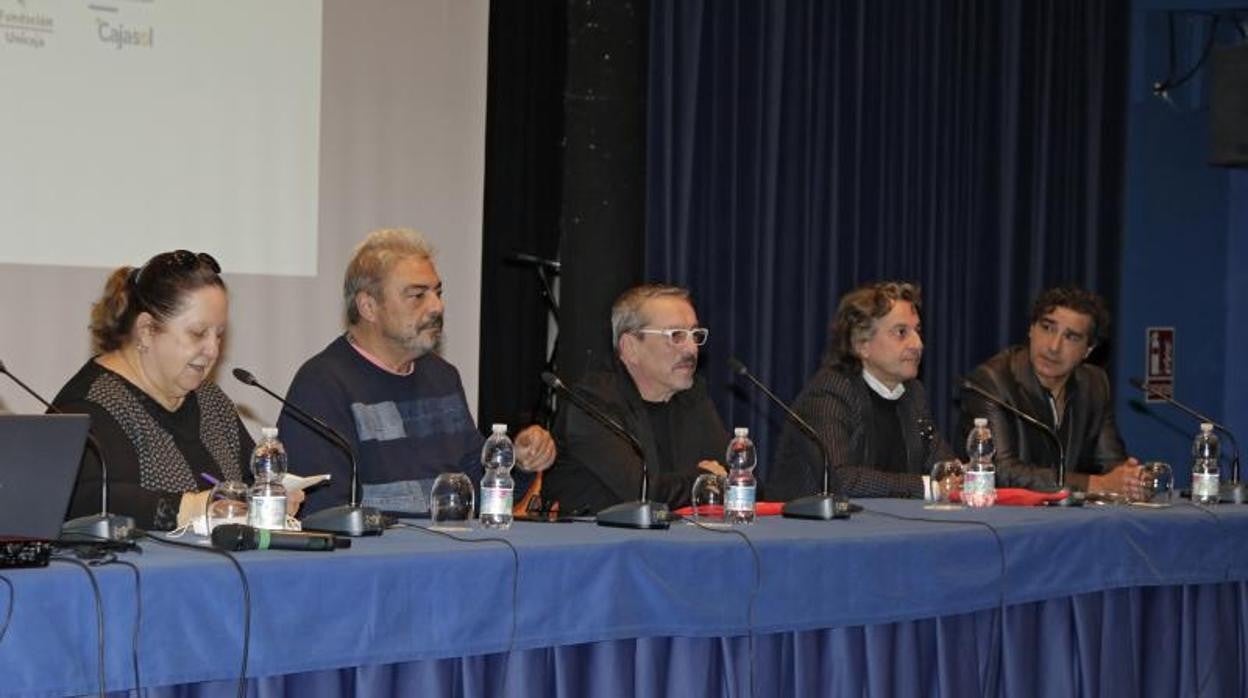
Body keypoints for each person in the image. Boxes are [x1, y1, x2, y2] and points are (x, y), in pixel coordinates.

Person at [279, 229, 556, 516]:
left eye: (438, 293)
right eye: (417, 295)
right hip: (384, 546)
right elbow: (323, 515)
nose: (437, 306)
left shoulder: (442, 377)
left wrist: (517, 461)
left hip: (450, 542)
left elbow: (474, 489)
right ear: (368, 307)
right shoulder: (323, 385)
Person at [53, 250, 302, 531]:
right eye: (198, 333)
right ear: (146, 330)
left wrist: (269, 500)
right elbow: (87, 503)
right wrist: (196, 507)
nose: (213, 350)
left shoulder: (211, 401)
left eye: (219, 335)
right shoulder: (88, 406)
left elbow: (249, 481)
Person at [543, 284, 728, 514]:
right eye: (676, 335)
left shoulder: (692, 398)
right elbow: (643, 494)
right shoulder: (593, 404)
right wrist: (706, 480)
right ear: (630, 348)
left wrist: (715, 481)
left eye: (695, 334)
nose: (692, 349)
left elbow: (739, 480)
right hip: (593, 536)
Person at [769, 281, 954, 500]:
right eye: (901, 332)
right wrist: (927, 487)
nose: (918, 344)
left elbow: (945, 467)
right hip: (809, 521)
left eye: (918, 331)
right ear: (862, 344)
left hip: (886, 520)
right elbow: (840, 480)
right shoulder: (831, 392)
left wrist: (962, 476)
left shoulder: (913, 394)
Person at [959, 285, 1140, 494]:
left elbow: (1111, 462)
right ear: (1031, 329)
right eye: (1047, 328)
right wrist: (1095, 484)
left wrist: (1129, 480)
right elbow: (1000, 471)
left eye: (1071, 337)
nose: (1054, 347)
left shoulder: (1094, 385)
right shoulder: (992, 381)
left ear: (1088, 350)